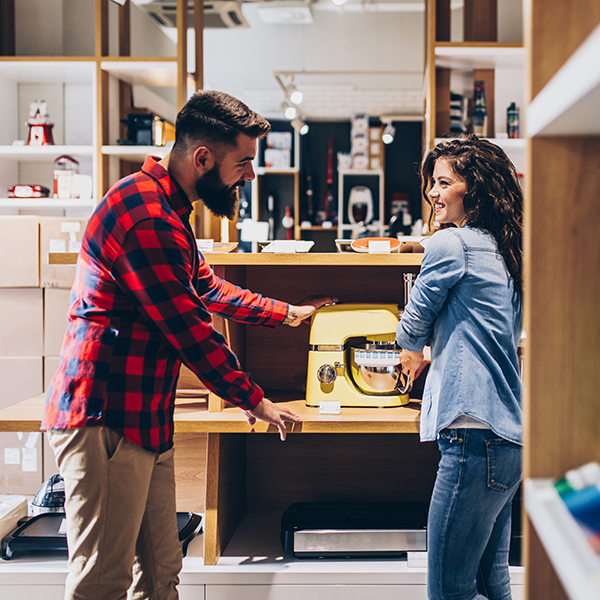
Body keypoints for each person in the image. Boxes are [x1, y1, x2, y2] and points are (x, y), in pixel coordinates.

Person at [42, 89, 334, 600]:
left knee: (160, 576)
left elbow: (204, 286)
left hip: (143, 419)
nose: (248, 175)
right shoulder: (147, 216)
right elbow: (190, 331)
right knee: (101, 585)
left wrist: (286, 314)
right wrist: (255, 399)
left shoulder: (167, 209)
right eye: (242, 163)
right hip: (106, 419)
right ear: (203, 158)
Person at [396, 135, 523, 600]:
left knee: (448, 591)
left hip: (472, 436)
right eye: (432, 182)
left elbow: (410, 329)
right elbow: (493, 336)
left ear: (476, 188)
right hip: (509, 438)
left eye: (444, 182)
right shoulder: (508, 250)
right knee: (493, 585)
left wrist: (414, 349)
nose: (433, 192)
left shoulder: (451, 243)